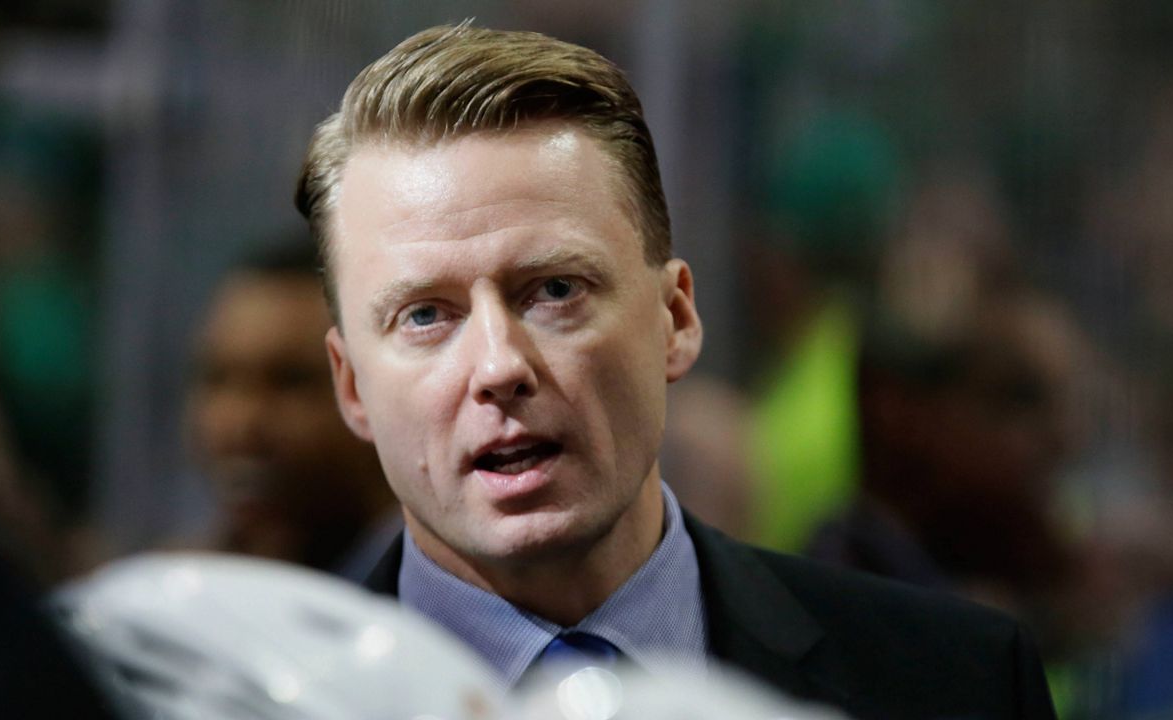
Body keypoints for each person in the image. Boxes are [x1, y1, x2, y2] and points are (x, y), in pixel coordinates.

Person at [295, 22, 1056, 719]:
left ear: (676, 319)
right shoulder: (252, 704)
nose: (498, 366)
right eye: (425, 315)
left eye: (555, 291)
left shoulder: (961, 682)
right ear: (351, 384)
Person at [183, 241, 400, 581]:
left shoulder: (438, 601)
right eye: (218, 378)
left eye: (290, 381)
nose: (239, 423)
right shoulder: (180, 591)